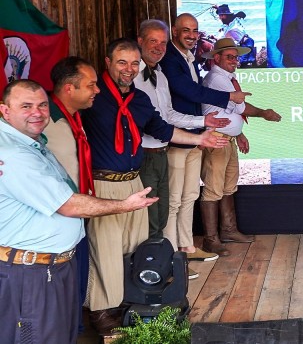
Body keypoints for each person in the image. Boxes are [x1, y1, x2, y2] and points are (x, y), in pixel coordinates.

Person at [81, 38, 229, 334]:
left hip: (134, 181)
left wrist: (200, 138)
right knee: (104, 250)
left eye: (134, 63)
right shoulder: (93, 99)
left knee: (134, 247)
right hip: (102, 183)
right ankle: (101, 311)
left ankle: (128, 304)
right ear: (107, 63)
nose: (129, 69)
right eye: (122, 62)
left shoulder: (139, 99)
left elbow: (162, 129)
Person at [0, 79, 157, 344]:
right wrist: (124, 205)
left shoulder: (29, 142)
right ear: (5, 111)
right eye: (26, 106)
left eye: (42, 105)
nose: (37, 112)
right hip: (30, 272)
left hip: (50, 267)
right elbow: (69, 205)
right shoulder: (14, 153)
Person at [133, 19, 229, 273]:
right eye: (153, 41)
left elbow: (169, 114)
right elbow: (156, 122)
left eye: (162, 43)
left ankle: (184, 249)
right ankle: (169, 259)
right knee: (165, 206)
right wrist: (197, 136)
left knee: (186, 197)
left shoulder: (161, 76)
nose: (158, 47)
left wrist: (202, 122)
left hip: (166, 146)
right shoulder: (134, 76)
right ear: (140, 41)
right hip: (149, 151)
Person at [160, 12, 250, 261]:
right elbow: (188, 91)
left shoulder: (188, 59)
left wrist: (237, 131)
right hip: (180, 137)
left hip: (196, 136)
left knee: (189, 195)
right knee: (178, 198)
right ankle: (179, 252)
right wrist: (230, 98)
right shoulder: (171, 60)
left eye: (195, 31)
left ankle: (187, 247)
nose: (191, 35)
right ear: (174, 31)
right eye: (186, 30)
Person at [200, 38, 282, 256]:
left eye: (236, 57)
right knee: (213, 189)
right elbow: (241, 107)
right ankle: (210, 240)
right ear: (216, 58)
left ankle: (228, 230)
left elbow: (229, 111)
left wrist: (239, 133)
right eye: (229, 57)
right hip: (216, 139)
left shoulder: (227, 78)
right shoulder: (217, 78)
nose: (234, 61)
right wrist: (264, 113)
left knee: (228, 186)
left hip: (226, 139)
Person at [44, 56, 100, 333]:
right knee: (58, 293)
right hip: (52, 223)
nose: (97, 90)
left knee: (77, 283)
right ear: (69, 88)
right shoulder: (43, 120)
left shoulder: (75, 117)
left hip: (77, 214)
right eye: (91, 85)